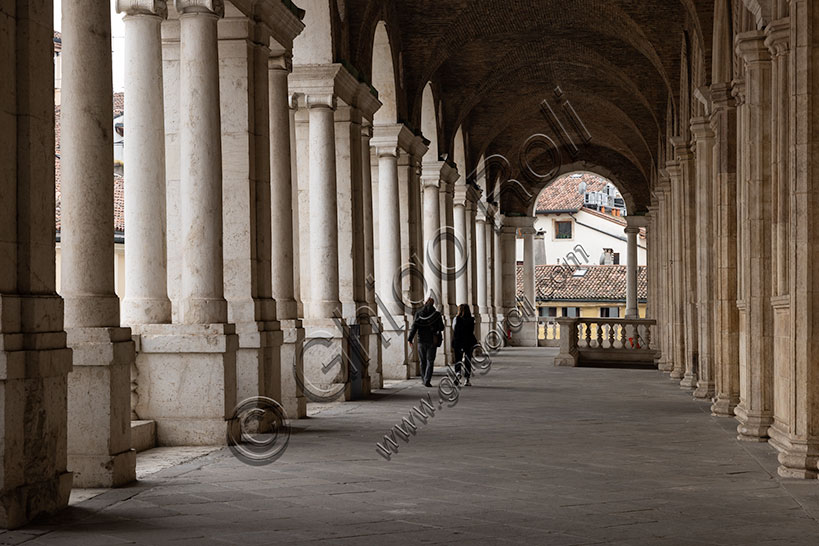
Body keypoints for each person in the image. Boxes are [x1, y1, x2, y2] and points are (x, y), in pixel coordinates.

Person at [407, 297, 445, 387]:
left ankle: (424, 379)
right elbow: (442, 327)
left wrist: (410, 339)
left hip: (421, 340)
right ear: (433, 304)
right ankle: (427, 379)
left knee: (422, 361)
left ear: (425, 303)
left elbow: (414, 327)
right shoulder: (436, 315)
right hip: (432, 340)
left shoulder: (419, 313)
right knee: (430, 361)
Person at [452, 304, 477, 386]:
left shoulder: (457, 319)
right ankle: (467, 378)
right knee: (468, 360)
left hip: (458, 341)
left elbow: (454, 329)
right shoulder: (471, 319)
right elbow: (472, 331)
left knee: (458, 359)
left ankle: (458, 373)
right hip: (469, 342)